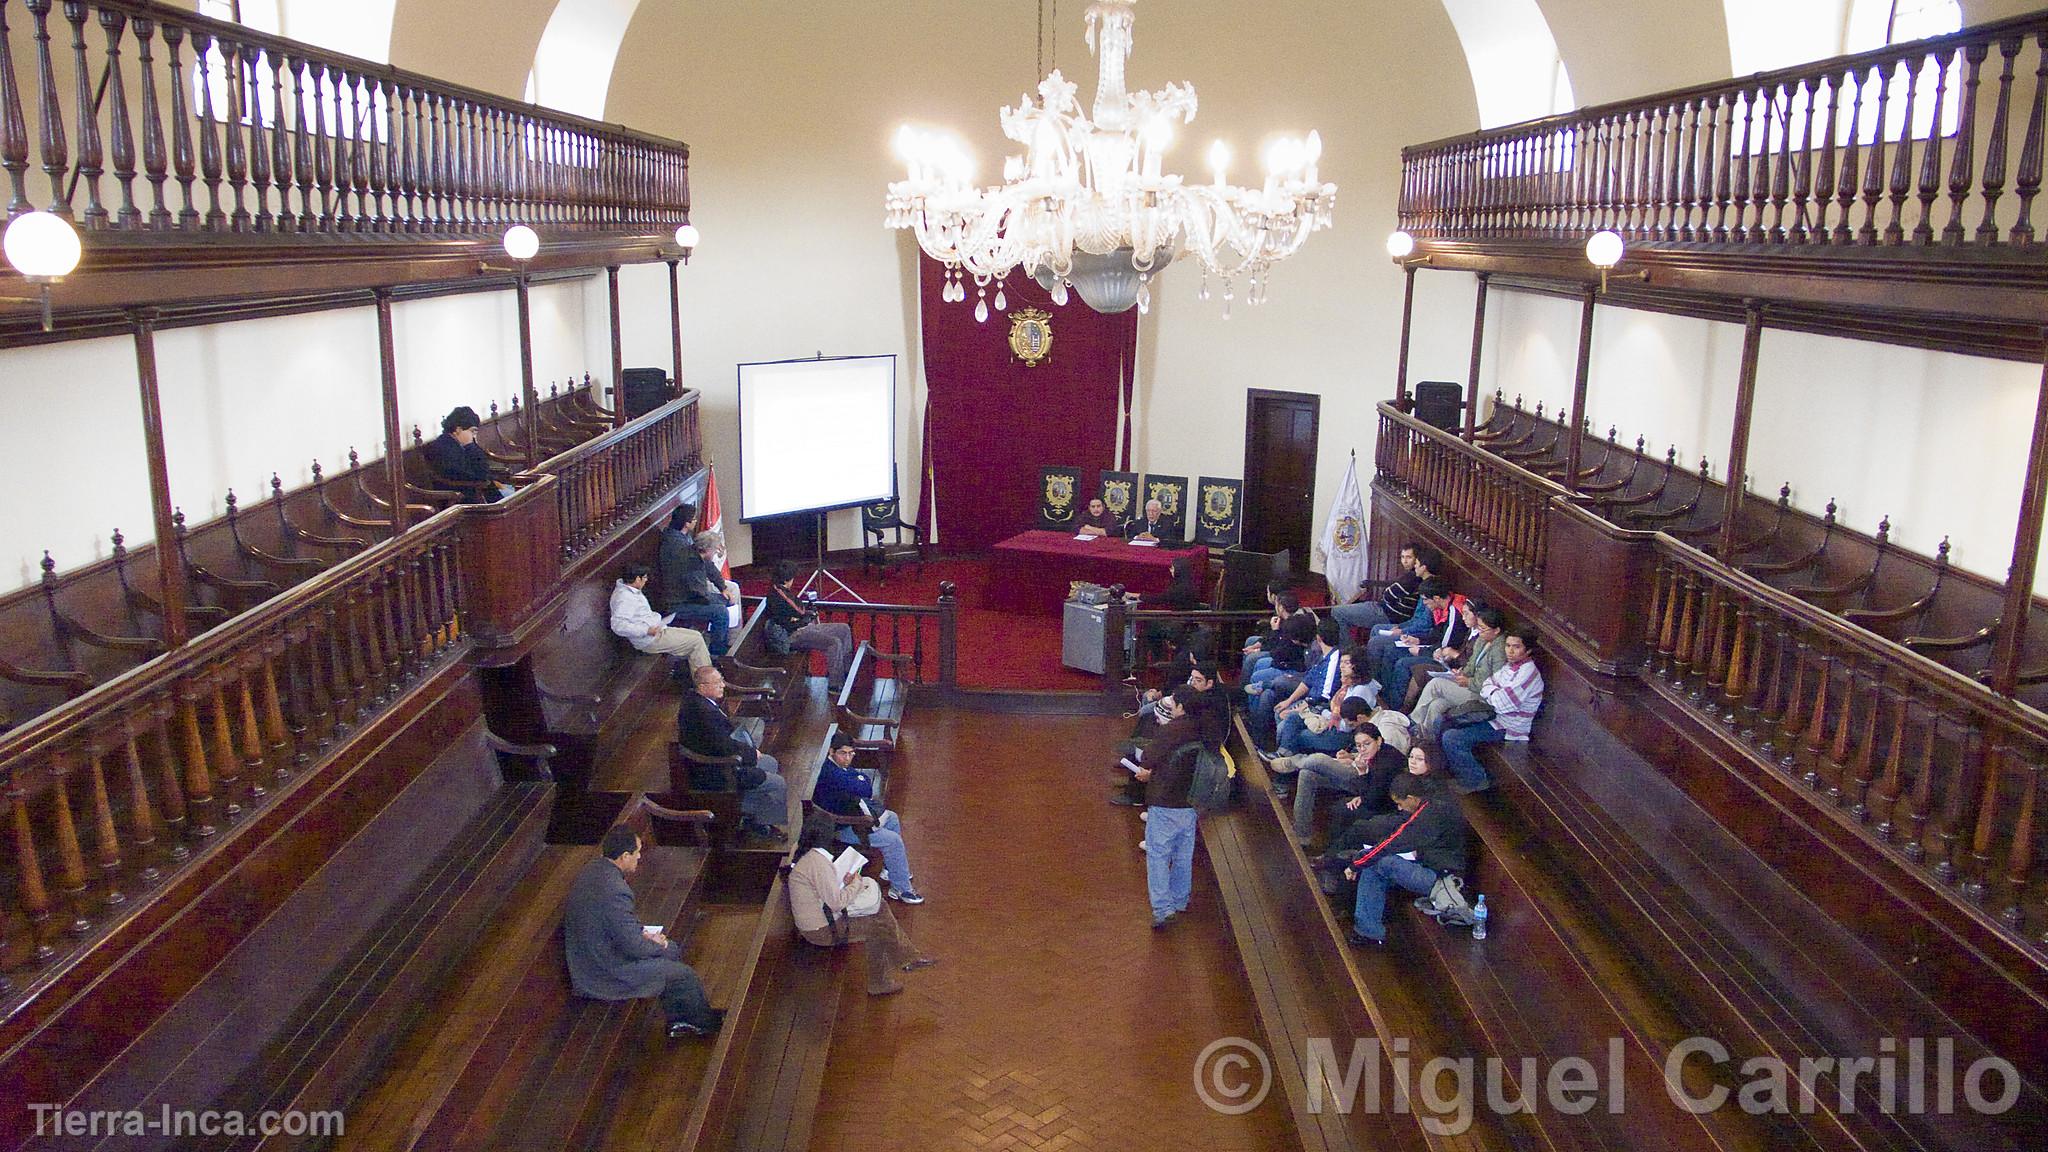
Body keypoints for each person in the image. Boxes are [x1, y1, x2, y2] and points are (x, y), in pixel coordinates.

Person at [563, 825, 722, 1039]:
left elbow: (618, 926)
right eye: (637, 852)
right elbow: (633, 947)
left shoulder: (595, 869)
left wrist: (646, 937)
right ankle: (702, 1024)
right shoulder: (615, 890)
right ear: (625, 856)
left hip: (600, 953)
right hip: (603, 971)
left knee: (671, 952)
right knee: (683, 974)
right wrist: (657, 943)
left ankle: (681, 1020)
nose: (640, 857)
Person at [788, 809, 936, 996]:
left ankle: (907, 958)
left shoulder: (805, 852)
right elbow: (836, 903)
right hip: (820, 930)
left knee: (879, 907)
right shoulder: (817, 862)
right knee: (877, 927)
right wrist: (856, 882)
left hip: (820, 917)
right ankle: (883, 979)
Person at [1343, 771, 1467, 947]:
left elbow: (1396, 841)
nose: (1399, 808)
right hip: (1433, 864)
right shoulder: (1433, 800)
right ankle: (1367, 926)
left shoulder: (1429, 814)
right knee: (1374, 862)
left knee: (1380, 861)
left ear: (1411, 798)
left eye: (1400, 804)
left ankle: (1369, 931)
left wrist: (1357, 864)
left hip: (1441, 879)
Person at [676, 666, 790, 838]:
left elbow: (721, 741)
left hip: (719, 755)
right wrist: (751, 753)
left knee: (770, 763)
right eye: (717, 682)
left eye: (721, 680)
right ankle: (758, 822)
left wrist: (750, 752)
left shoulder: (697, 701)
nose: (723, 685)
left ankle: (755, 813)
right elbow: (723, 747)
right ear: (702, 686)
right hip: (715, 769)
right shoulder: (703, 712)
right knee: (778, 783)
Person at [812, 731, 925, 903]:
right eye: (843, 753)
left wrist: (859, 779)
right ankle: (901, 890)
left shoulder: (838, 766)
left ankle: (890, 870)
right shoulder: (832, 774)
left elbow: (863, 781)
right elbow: (865, 788)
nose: (848, 758)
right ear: (831, 752)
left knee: (892, 818)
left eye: (851, 753)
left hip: (850, 813)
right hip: (841, 826)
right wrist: (859, 780)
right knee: (893, 840)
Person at [1130, 685, 1206, 928]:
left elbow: (1148, 758)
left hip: (1165, 800)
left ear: (1182, 706)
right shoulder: (1205, 729)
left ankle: (1163, 908)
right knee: (1183, 854)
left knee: (1158, 854)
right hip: (1191, 801)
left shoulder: (1171, 730)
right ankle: (1180, 900)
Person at [1438, 625, 1545, 794]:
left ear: (1528, 650)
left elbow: (1501, 703)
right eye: (1508, 646)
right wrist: (1494, 692)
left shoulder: (1528, 673)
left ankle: (1475, 780)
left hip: (1509, 727)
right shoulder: (1510, 666)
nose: (1510, 651)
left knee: (1453, 738)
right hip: (1494, 716)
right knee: (1443, 720)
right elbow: (1488, 684)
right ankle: (1443, 771)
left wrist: (1493, 692)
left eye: (1516, 647)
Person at [1274, 710, 1403, 843]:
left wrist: (1362, 773)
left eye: (1367, 744)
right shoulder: (1373, 752)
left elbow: (1373, 795)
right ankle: (1302, 834)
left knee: (1318, 761)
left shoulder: (1388, 761)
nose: (1363, 749)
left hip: (1369, 790)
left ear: (1379, 740)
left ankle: (1295, 761)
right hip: (1360, 777)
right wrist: (1351, 757)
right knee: (1306, 774)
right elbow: (1364, 763)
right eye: (1359, 746)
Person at [1408, 604, 1508, 733]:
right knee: (1437, 704)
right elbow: (1471, 664)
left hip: (1482, 697)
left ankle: (1412, 721)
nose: (1480, 632)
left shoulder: (1500, 650)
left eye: (1483, 629)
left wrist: (1468, 681)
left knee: (1436, 684)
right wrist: (1462, 672)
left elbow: (1494, 681)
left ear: (1496, 630)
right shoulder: (1482, 640)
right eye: (1479, 627)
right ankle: (1425, 739)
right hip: (1470, 686)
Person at [765, 560, 856, 690]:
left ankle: (847, 673)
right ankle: (835, 685)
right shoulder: (779, 593)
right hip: (790, 636)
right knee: (833, 643)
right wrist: (802, 616)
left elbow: (798, 612)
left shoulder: (781, 589)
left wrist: (799, 618)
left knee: (844, 629)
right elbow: (799, 609)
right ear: (787, 579)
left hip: (799, 627)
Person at [1382, 596, 1481, 710]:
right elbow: (1437, 637)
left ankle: (1399, 708)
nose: (1464, 618)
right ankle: (1390, 700)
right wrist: (1419, 640)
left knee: (1407, 665)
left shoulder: (1475, 633)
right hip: (1447, 660)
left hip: (1455, 667)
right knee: (1392, 651)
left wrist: (1452, 654)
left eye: (1467, 614)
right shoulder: (1471, 629)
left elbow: (1463, 656)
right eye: (1463, 613)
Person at [608, 563, 712, 672]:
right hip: (650, 640)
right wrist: (646, 630)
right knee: (695, 642)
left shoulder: (630, 591)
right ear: (637, 579)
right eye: (645, 577)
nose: (646, 580)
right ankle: (706, 682)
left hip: (657, 630)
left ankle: (708, 676)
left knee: (696, 635)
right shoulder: (624, 598)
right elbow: (618, 626)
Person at [1329, 542, 1437, 633]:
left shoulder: (1413, 577)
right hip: (1384, 608)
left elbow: (1388, 595)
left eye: (1409, 557)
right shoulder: (1412, 575)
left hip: (1386, 613)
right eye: (1402, 557)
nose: (1404, 561)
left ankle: (1347, 651)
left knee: (1337, 612)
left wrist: (1387, 593)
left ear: (1417, 560)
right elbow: (1391, 587)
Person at [668, 530, 740, 655]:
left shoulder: (697, 554)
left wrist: (723, 588)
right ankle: (717, 653)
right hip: (679, 604)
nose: (715, 553)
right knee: (720, 611)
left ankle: (728, 640)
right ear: (707, 550)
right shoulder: (690, 564)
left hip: (693, 598)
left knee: (725, 601)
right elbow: (699, 595)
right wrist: (720, 602)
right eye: (715, 550)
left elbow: (712, 570)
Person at [422, 406, 513, 502]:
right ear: (458, 430)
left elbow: (482, 468)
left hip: (482, 491)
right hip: (467, 496)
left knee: (520, 494)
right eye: (472, 431)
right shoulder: (442, 447)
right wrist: (470, 446)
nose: (474, 436)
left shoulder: (460, 443)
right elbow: (476, 475)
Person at [654, 503, 701, 615]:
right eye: (694, 519)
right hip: (680, 596)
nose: (696, 521)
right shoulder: (675, 544)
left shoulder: (685, 536)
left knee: (731, 588)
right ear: (686, 523)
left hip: (693, 584)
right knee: (721, 611)